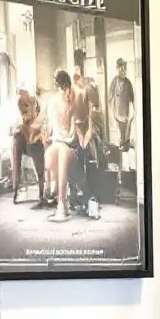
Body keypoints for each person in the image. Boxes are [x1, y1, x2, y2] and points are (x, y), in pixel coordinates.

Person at [68, 51, 102, 219]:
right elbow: (73, 119)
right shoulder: (71, 94)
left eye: (78, 75)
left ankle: (90, 200)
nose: (77, 79)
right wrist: (79, 135)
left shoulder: (86, 90)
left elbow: (89, 117)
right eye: (74, 76)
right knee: (74, 165)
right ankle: (75, 198)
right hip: (75, 135)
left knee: (89, 162)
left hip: (86, 134)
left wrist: (86, 135)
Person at [43, 69, 77, 221]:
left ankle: (62, 205)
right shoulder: (53, 102)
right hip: (58, 143)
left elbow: (74, 134)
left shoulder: (73, 103)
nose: (64, 92)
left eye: (65, 89)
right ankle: (57, 197)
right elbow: (50, 129)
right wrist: (48, 137)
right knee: (52, 153)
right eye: (62, 89)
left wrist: (67, 135)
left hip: (72, 146)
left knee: (62, 152)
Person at [9, 90, 45, 204]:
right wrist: (17, 128)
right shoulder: (17, 112)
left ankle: (41, 192)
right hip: (22, 139)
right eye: (22, 105)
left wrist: (33, 130)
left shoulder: (37, 105)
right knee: (16, 142)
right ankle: (15, 189)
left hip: (35, 141)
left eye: (26, 104)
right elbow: (11, 129)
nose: (24, 108)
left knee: (38, 157)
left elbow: (40, 126)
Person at [109, 58, 136, 150]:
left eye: (124, 69)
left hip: (125, 113)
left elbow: (132, 99)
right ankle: (121, 143)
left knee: (125, 132)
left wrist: (134, 111)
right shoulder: (114, 81)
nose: (122, 71)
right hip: (116, 112)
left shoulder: (128, 83)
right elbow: (110, 97)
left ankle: (125, 144)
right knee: (119, 132)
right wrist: (111, 112)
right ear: (117, 69)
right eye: (120, 69)